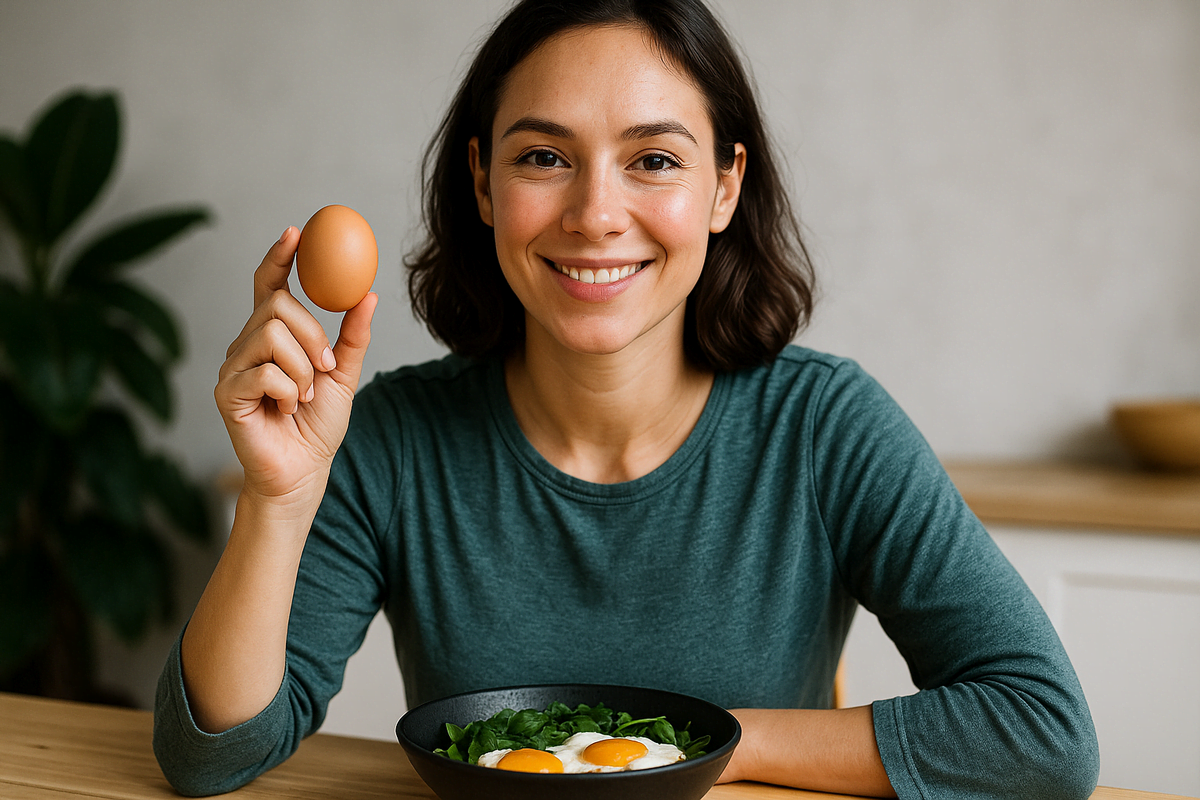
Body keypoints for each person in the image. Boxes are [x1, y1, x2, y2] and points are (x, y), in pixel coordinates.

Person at [153, 0, 1100, 797]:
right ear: (482, 182)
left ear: (725, 186)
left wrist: (698, 752)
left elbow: (1042, 732)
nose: (596, 214)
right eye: (543, 158)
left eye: (653, 160)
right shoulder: (392, 438)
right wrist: (276, 503)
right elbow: (211, 754)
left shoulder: (826, 427)